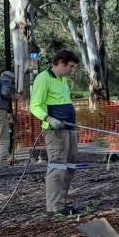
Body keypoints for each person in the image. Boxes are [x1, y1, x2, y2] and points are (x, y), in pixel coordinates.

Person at [29, 50, 81, 215]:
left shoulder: (62, 79)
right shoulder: (43, 78)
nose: (71, 70)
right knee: (57, 167)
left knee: (70, 166)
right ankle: (54, 208)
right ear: (60, 63)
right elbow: (34, 106)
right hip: (55, 131)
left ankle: (62, 204)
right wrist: (49, 119)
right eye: (71, 67)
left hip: (69, 129)